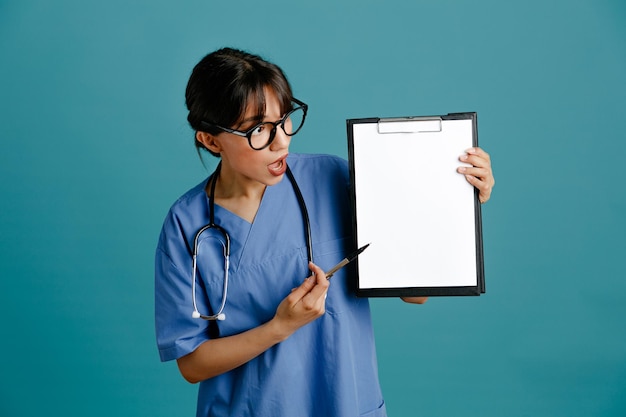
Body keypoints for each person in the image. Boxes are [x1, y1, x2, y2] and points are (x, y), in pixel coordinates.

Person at [155, 47, 495, 417]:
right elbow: (192, 364)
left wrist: (458, 200)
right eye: (258, 130)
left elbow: (417, 296)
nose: (281, 140)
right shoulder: (187, 226)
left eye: (284, 119)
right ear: (211, 140)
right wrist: (279, 327)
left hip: (346, 404)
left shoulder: (335, 179)